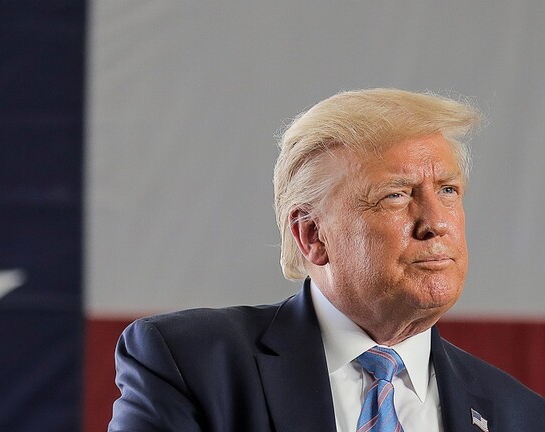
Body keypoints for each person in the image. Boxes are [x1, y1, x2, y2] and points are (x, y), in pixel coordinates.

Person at [108, 88, 545, 431]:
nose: (436, 223)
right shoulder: (191, 363)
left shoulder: (520, 415)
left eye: (448, 190)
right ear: (313, 235)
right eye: (395, 195)